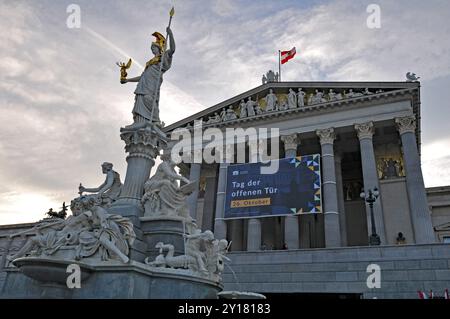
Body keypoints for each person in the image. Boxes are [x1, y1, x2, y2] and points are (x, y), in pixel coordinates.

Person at [121, 27, 175, 127]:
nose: (152, 49)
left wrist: (170, 34)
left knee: (149, 100)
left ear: (159, 48)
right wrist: (127, 80)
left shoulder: (162, 59)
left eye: (154, 47)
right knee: (140, 101)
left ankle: (155, 122)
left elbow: (172, 49)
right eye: (152, 48)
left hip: (152, 85)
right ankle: (139, 123)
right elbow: (142, 76)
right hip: (143, 85)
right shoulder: (149, 63)